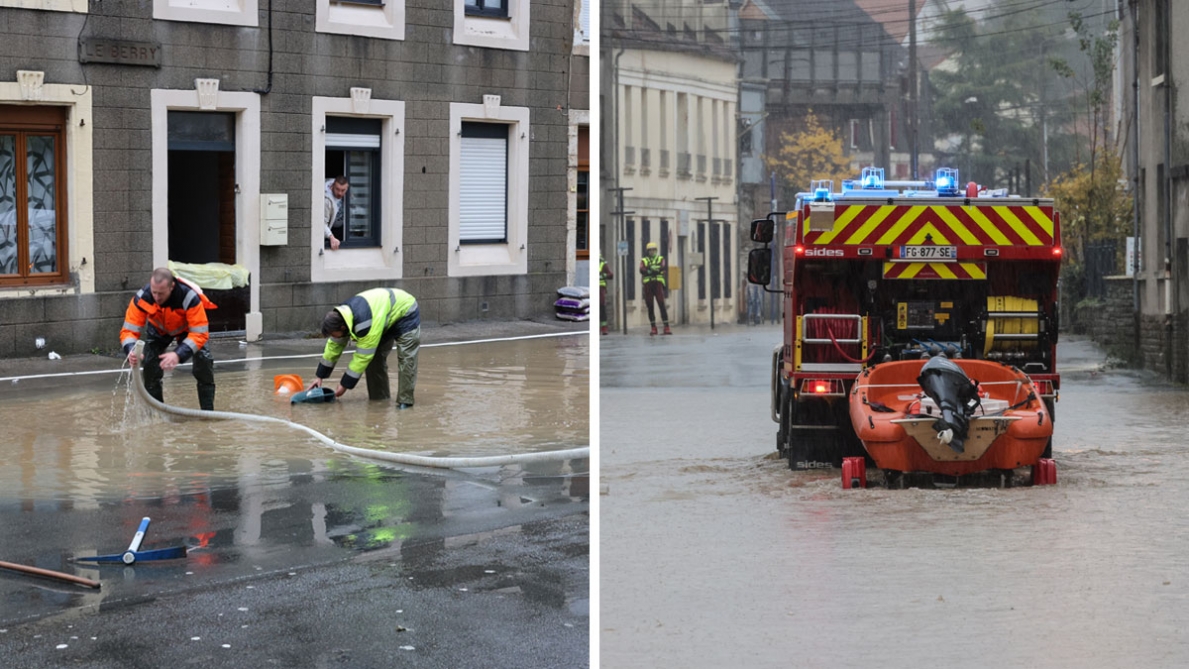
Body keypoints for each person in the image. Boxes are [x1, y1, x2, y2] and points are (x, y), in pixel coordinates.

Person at [120, 267, 218, 410]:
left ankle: (208, 411)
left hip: (187, 331)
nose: (157, 297)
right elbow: (129, 329)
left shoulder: (189, 297)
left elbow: (200, 334)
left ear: (171, 287)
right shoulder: (142, 297)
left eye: (161, 293)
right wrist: (130, 349)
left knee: (204, 362)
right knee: (150, 367)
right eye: (154, 292)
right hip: (158, 330)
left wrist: (178, 354)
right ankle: (157, 412)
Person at [308, 287, 421, 408]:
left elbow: (362, 357)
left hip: (405, 311)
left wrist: (344, 385)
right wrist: (320, 376)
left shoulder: (364, 324)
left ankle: (405, 401)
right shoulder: (341, 318)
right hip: (382, 317)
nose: (333, 337)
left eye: (333, 334)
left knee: (406, 359)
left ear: (342, 328)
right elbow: (333, 347)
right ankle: (379, 399)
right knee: (374, 360)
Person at [639, 241, 671, 335]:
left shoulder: (660, 259)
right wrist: (653, 270)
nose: (652, 252)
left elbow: (662, 267)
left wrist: (650, 269)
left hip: (658, 284)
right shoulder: (644, 260)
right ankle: (653, 327)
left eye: (653, 250)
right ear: (647, 251)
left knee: (661, 304)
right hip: (648, 285)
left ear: (656, 251)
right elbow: (642, 269)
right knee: (650, 306)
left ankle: (666, 327)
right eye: (650, 250)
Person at [324, 175, 349, 250]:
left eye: (343, 190)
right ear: (333, 186)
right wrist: (331, 237)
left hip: (343, 229)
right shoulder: (326, 200)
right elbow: (322, 223)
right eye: (337, 189)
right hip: (330, 229)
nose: (340, 193)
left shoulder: (349, 194)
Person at [599, 255, 613, 336]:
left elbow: (610, 274)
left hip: (601, 288)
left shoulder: (603, 263)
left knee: (602, 306)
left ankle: (604, 327)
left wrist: (603, 275)